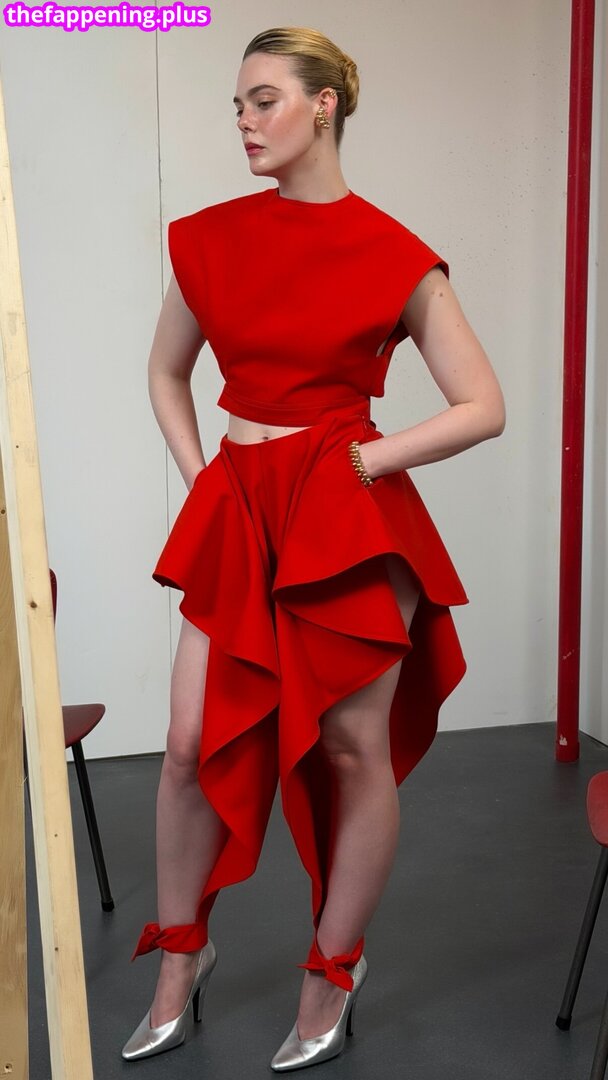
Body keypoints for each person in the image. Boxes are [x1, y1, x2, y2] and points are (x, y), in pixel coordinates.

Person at [121, 25, 505, 1071]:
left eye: (264, 100)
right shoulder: (209, 239)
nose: (244, 122)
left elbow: (482, 405)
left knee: (348, 749)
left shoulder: (393, 251)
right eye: (237, 105)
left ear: (325, 103)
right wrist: (205, 474)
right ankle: (179, 960)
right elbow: (165, 372)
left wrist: (371, 462)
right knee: (188, 744)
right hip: (243, 509)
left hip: (342, 523)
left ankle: (331, 971)